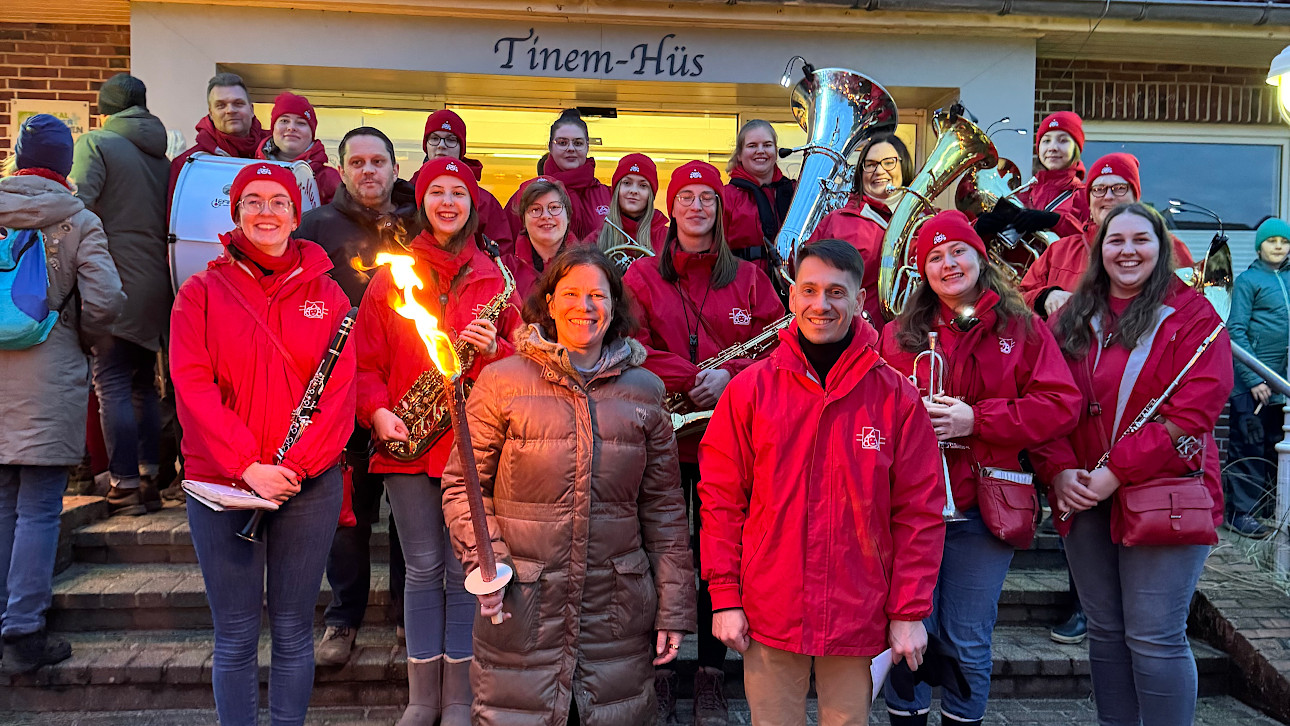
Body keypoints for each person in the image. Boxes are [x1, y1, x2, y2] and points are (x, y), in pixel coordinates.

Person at [442, 244, 696, 726]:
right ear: (550, 303)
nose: (585, 306)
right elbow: (462, 487)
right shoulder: (501, 383)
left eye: (598, 295)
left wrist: (674, 608)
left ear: (614, 306)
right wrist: (487, 563)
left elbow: (664, 509)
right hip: (523, 604)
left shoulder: (645, 391)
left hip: (615, 611)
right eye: (572, 294)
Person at [699, 238, 945, 726]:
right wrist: (724, 595)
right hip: (770, 607)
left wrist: (909, 610)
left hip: (858, 609)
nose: (821, 304)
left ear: (859, 299)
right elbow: (722, 501)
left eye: (836, 292)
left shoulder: (895, 396)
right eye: (809, 290)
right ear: (792, 296)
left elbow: (919, 512)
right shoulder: (750, 390)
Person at [1031, 202, 1231, 726]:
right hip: (1081, 491)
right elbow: (1042, 400)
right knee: (1106, 632)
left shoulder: (1194, 317)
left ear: (1161, 248)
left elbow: (1194, 412)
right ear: (1099, 251)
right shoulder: (1070, 318)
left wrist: (1115, 472)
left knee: (1154, 636)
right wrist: (1058, 470)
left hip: (1163, 494)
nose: (1127, 251)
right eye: (1115, 240)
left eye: (1141, 240)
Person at [170, 161, 356, 726]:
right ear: (237, 213)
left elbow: (339, 395)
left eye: (279, 202)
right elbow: (192, 385)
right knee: (234, 633)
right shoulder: (200, 293)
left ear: (296, 215)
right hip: (222, 483)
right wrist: (248, 466)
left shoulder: (330, 296)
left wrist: (293, 467)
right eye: (253, 201)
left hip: (307, 484)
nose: (266, 212)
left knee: (295, 629)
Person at [877, 211, 1081, 726]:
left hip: (980, 508)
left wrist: (977, 420)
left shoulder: (1024, 328)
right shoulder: (898, 336)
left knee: (968, 638)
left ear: (980, 257)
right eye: (935, 257)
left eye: (958, 251)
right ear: (922, 271)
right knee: (906, 635)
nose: (948, 264)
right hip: (908, 512)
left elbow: (1061, 405)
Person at [355, 155, 523, 726]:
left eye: (458, 192)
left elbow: (524, 362)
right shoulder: (392, 275)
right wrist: (377, 412)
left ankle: (457, 699)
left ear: (473, 203)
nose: (447, 202)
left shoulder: (496, 277)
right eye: (436, 191)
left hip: (474, 446)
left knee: (462, 571)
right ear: (422, 201)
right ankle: (421, 699)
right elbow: (365, 361)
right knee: (423, 567)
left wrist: (495, 350)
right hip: (407, 440)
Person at [623, 159, 783, 726]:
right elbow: (632, 345)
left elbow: (777, 348)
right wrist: (692, 376)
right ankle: (662, 671)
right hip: (662, 435)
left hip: (731, 438)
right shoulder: (642, 276)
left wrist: (731, 375)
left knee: (721, 555)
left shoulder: (751, 278)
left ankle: (711, 672)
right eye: (686, 197)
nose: (696, 206)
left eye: (707, 198)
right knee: (661, 553)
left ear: (719, 207)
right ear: (671, 207)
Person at [0, 114, 124, 673]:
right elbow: (106, 298)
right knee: (39, 508)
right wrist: (85, 338)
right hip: (49, 376)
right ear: (64, 162)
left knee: (3, 505)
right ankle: (23, 631)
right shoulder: (77, 219)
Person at [296, 126, 417, 667]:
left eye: (378, 161)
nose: (369, 170)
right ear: (342, 170)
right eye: (358, 162)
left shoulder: (418, 223)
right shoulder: (316, 227)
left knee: (409, 513)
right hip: (339, 392)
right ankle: (344, 617)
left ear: (394, 168)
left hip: (409, 391)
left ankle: (407, 615)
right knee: (349, 513)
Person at [70, 73, 172, 516]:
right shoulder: (164, 159)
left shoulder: (96, 143)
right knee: (142, 385)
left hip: (111, 279)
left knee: (110, 381)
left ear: (103, 112)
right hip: (156, 285)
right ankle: (149, 479)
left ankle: (123, 485)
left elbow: (77, 208)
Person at [1019, 152, 1194, 318]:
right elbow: (1019, 301)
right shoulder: (1058, 251)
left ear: (1136, 198)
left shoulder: (1169, 247)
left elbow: (1189, 310)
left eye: (1119, 188)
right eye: (1099, 189)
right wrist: (1044, 297)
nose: (1108, 196)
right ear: (1089, 201)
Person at [1222, 216, 1290, 538]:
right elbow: (1235, 332)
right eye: (1271, 241)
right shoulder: (1249, 281)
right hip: (1253, 384)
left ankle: (1269, 510)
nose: (1278, 246)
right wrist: (1254, 379)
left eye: (1284, 242)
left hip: (1281, 386)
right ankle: (1239, 514)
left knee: (1275, 449)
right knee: (1248, 447)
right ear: (1259, 246)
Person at [807, 133, 914, 331]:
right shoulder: (837, 222)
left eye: (889, 162)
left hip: (917, 334)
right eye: (870, 164)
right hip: (857, 335)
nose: (879, 171)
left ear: (904, 165)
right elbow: (809, 276)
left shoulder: (926, 221)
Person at [409, 109, 513, 253]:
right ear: (426, 145)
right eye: (434, 138)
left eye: (451, 139)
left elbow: (501, 253)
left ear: (461, 148)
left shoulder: (485, 202)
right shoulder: (407, 193)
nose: (441, 145)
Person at [976, 111, 1088, 243]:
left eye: (1063, 140)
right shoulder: (1022, 195)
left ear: (1076, 148)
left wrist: (1056, 221)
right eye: (1046, 141)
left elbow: (1095, 240)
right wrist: (978, 231)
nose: (1052, 147)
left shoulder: (1086, 196)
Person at [504, 109, 610, 242]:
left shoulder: (608, 195)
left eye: (578, 143)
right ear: (550, 147)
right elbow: (505, 246)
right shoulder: (526, 195)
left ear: (587, 147)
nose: (571, 148)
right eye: (562, 143)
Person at [167, 73, 268, 207]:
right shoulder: (186, 165)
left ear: (251, 109)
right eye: (221, 105)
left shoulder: (275, 154)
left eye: (238, 103)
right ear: (211, 113)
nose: (230, 110)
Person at [724, 119, 796, 273]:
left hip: (794, 281)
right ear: (739, 155)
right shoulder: (725, 197)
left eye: (767, 145)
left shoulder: (795, 192)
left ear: (776, 151)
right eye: (752, 146)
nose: (761, 151)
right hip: (742, 282)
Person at [257, 92, 341, 205]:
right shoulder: (251, 168)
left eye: (301, 123)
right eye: (284, 121)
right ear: (273, 129)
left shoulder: (328, 179)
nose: (291, 128)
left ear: (312, 133)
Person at [500, 177, 576, 300]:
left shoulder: (589, 266)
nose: (546, 216)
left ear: (568, 216)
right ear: (523, 220)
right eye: (535, 209)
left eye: (554, 207)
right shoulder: (503, 270)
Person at [588, 153, 669, 253]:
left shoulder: (667, 239)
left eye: (643, 185)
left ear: (650, 195)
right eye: (627, 183)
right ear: (617, 190)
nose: (633, 191)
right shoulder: (595, 239)